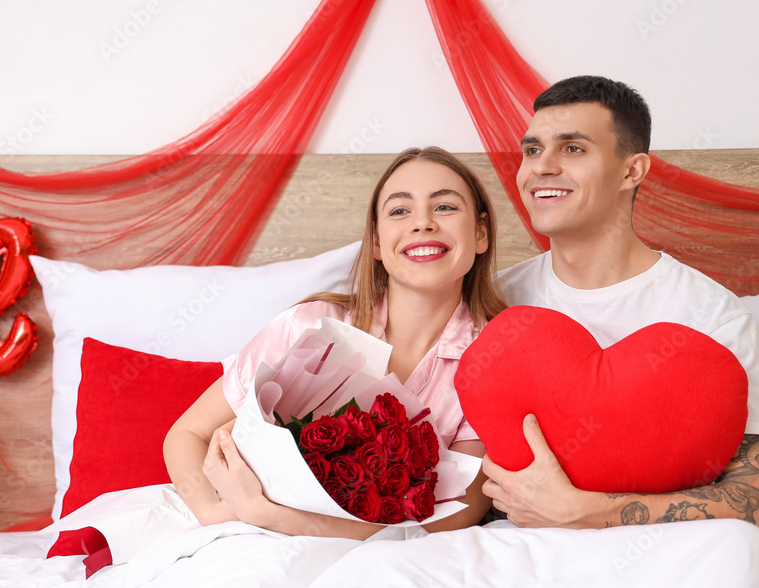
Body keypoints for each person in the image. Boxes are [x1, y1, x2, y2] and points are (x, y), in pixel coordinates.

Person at [164, 147, 507, 539]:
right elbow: (187, 434)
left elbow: (458, 515)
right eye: (399, 211)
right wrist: (216, 513)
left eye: (445, 207)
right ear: (376, 242)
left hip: (386, 559)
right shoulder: (309, 327)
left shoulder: (496, 361)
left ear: (480, 234)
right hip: (247, 539)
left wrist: (271, 516)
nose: (422, 224)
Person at [484, 75, 759, 528]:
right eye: (532, 150)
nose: (542, 167)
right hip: (509, 553)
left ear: (632, 171)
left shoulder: (713, 317)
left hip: (662, 561)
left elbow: (749, 494)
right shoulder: (494, 300)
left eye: (572, 149)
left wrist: (594, 513)